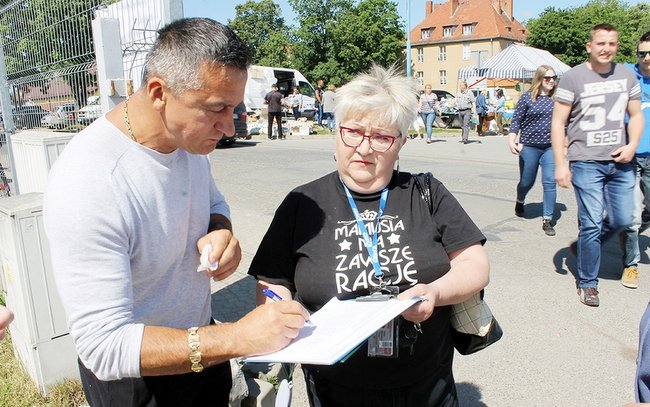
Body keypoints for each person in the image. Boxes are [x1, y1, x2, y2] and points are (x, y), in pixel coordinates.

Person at [43, 18, 309, 407]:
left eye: (232, 108)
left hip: (202, 352)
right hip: (137, 381)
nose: (230, 128)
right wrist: (237, 338)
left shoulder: (185, 140)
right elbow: (103, 346)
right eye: (216, 109)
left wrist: (221, 230)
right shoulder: (91, 179)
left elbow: (213, 202)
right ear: (158, 92)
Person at [248, 65, 490, 407]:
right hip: (336, 387)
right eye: (354, 132)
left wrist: (435, 291)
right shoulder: (302, 203)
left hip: (427, 385)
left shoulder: (427, 192)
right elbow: (271, 280)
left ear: (401, 143)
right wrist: (281, 309)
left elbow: (474, 264)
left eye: (381, 137)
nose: (364, 147)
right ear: (336, 131)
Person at [551, 23, 643, 307]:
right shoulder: (573, 78)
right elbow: (559, 122)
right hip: (586, 161)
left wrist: (632, 145)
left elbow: (636, 115)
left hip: (620, 161)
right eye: (601, 43)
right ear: (589, 46)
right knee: (591, 222)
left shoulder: (627, 76)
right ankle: (588, 283)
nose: (606, 49)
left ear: (617, 46)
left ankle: (581, 248)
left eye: (612, 44)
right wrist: (560, 164)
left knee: (623, 219)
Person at [507, 65, 559, 237]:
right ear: (539, 79)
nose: (551, 81)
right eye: (547, 78)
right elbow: (516, 121)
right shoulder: (527, 98)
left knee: (550, 181)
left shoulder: (557, 99)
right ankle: (520, 199)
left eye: (554, 77)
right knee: (526, 182)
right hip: (529, 146)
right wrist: (512, 140)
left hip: (550, 147)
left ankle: (547, 219)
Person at [619, 31, 650, 290]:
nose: (647, 58)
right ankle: (630, 265)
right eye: (643, 53)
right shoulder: (625, 75)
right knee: (631, 217)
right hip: (627, 157)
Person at [454, 80, 475, 144]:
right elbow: (455, 100)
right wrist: (450, 104)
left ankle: (465, 139)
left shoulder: (469, 93)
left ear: (465, 86)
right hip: (460, 111)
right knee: (462, 125)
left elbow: (473, 102)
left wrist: (474, 110)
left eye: (461, 85)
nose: (460, 87)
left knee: (466, 125)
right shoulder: (458, 93)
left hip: (467, 111)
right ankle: (463, 136)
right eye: (460, 86)